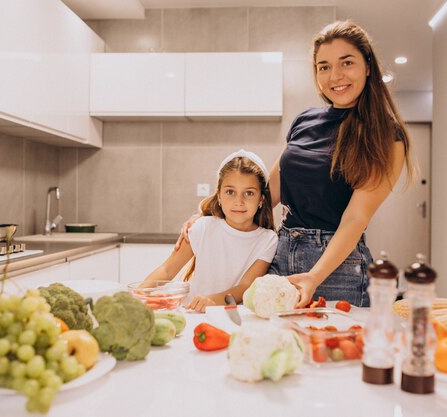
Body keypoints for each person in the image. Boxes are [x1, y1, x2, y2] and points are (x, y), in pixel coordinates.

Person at [177, 20, 413, 308]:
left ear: (367, 66)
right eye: (323, 66)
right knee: (272, 344)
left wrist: (314, 276)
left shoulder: (387, 136)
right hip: (282, 250)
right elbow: (266, 193)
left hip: (335, 269)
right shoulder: (305, 121)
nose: (335, 75)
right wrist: (207, 215)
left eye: (346, 62)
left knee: (330, 349)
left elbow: (356, 218)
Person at [143, 150, 278, 313]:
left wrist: (213, 301)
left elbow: (245, 287)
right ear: (219, 196)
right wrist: (137, 297)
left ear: (261, 200)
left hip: (235, 317)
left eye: (249, 193)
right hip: (193, 314)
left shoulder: (267, 239)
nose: (239, 201)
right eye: (230, 192)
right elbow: (167, 270)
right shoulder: (203, 227)